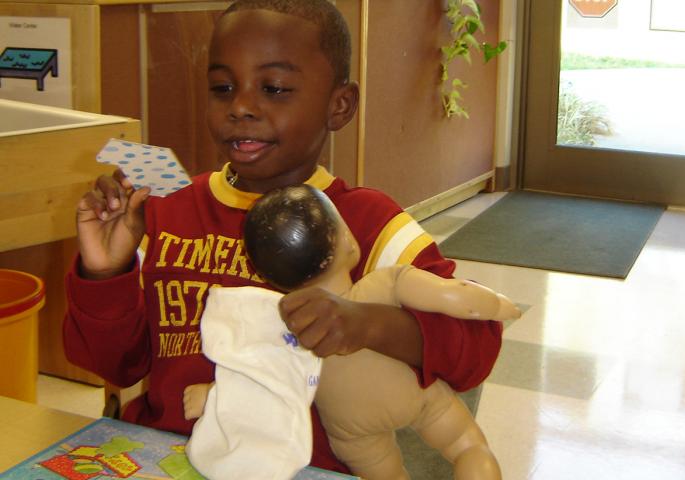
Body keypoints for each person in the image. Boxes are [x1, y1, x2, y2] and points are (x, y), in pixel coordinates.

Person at [63, 0, 502, 475]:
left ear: (340, 105)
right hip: (168, 456)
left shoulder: (368, 223)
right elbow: (115, 367)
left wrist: (366, 323)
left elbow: (476, 349)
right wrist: (105, 272)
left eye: (274, 88)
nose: (241, 107)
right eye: (222, 87)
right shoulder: (167, 210)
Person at [184, 184, 518, 479]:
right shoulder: (384, 282)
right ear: (343, 239)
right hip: (414, 396)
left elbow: (258, 374)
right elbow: (454, 295)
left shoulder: (289, 326)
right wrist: (498, 305)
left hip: (350, 432)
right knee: (467, 447)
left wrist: (211, 395)